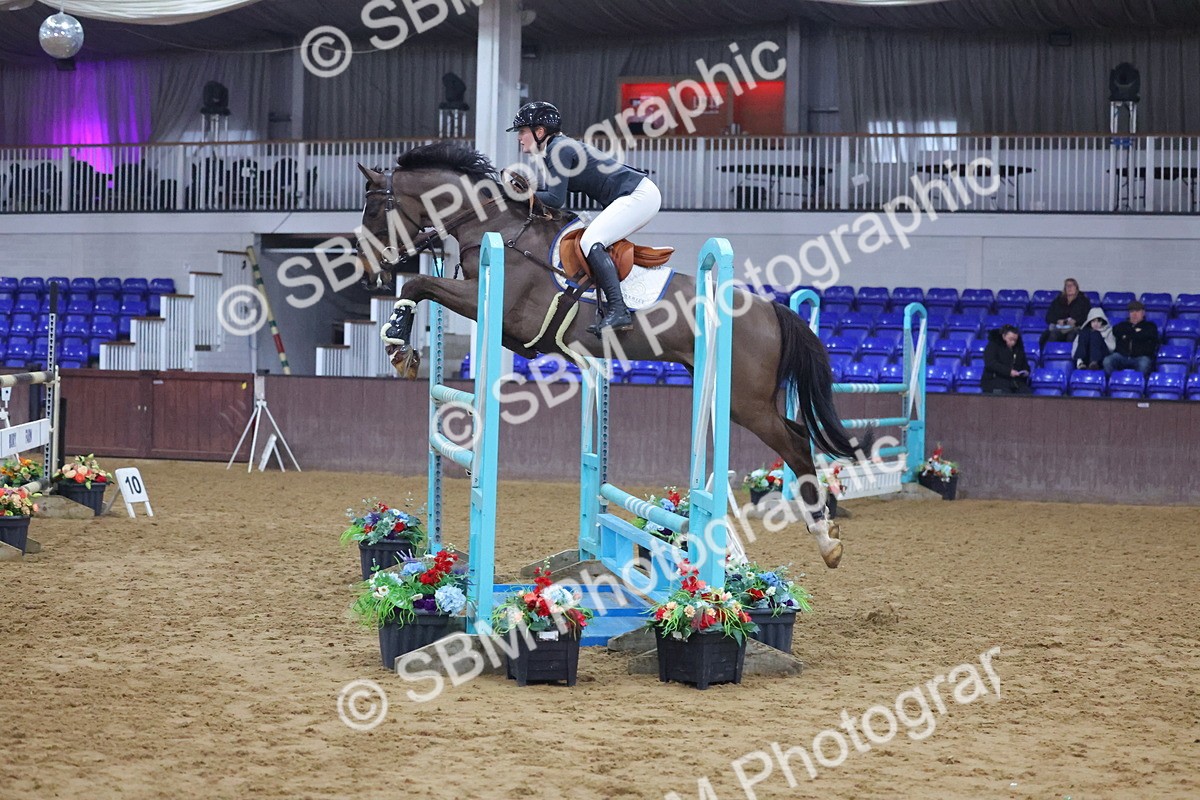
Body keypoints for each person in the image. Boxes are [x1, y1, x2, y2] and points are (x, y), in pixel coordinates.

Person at [508, 100, 662, 335]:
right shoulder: (557, 148)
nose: (519, 137)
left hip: (638, 195)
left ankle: (619, 310)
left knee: (590, 241)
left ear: (539, 132)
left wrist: (516, 195)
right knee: (592, 238)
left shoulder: (558, 149)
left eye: (522, 132)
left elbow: (555, 199)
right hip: (633, 195)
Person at [1103, 300, 1159, 375]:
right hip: (1122, 356)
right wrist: (1136, 332)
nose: (1134, 314)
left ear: (1143, 313)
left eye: (1137, 311)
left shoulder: (1150, 326)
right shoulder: (1122, 325)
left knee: (1144, 364)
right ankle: (1110, 383)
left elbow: (1149, 335)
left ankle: (1139, 385)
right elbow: (1115, 331)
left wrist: (1127, 335)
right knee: (1107, 361)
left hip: (1141, 357)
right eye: (1132, 311)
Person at [1039, 278, 1091, 349]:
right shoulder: (1058, 300)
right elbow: (1049, 316)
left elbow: (1087, 316)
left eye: (1072, 285)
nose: (1069, 288)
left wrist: (1076, 321)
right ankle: (1052, 355)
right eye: (1067, 286)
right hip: (1059, 328)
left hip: (1075, 328)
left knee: (1071, 336)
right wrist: (1057, 321)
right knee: (1052, 335)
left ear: (1076, 288)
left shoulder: (1084, 301)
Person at [982, 324, 1032, 394]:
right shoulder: (993, 345)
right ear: (1004, 336)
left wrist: (1026, 371)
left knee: (1026, 393)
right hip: (995, 380)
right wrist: (1008, 372)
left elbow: (1024, 364)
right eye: (1010, 339)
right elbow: (990, 363)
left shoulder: (1018, 349)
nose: (1013, 342)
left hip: (1015, 382)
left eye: (1015, 340)